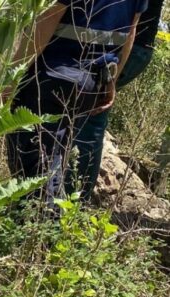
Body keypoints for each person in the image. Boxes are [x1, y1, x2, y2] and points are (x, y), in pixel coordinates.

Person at [5, 0, 147, 208]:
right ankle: (45, 222)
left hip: (53, 75)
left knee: (32, 160)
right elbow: (131, 30)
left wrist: (10, 79)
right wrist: (112, 81)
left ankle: (39, 225)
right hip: (92, 81)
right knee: (54, 157)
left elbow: (49, 17)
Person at [70, 0, 164, 199]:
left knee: (88, 117)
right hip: (135, 47)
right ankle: (71, 197)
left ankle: (72, 198)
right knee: (88, 115)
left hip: (121, 46)